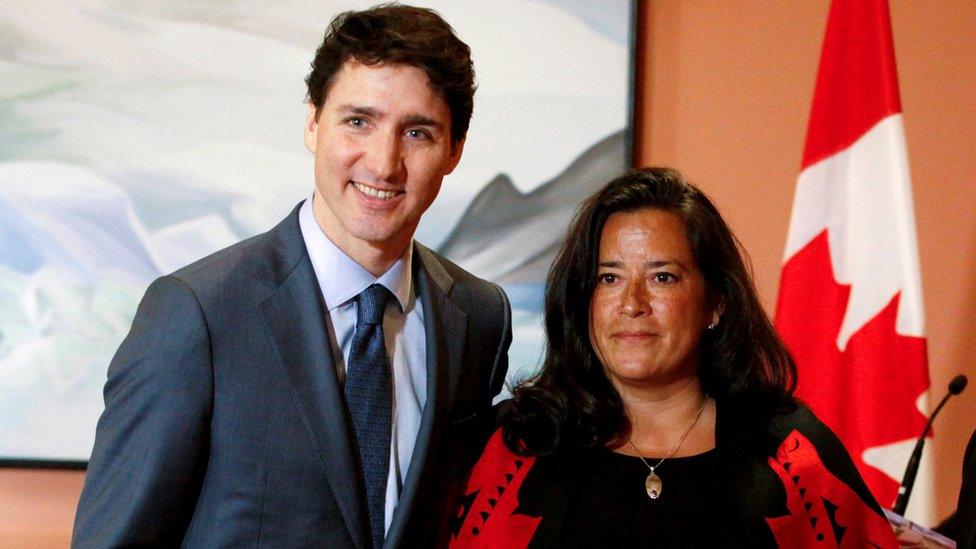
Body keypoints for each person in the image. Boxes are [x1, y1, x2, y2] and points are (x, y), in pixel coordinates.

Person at [73, 5, 511, 548]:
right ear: (312, 122)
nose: (383, 163)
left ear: (455, 150)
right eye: (358, 121)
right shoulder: (197, 314)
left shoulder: (479, 316)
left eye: (417, 132)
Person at [450, 167, 897, 548]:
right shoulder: (514, 447)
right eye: (608, 278)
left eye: (662, 277)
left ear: (715, 303)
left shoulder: (793, 458)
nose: (631, 303)